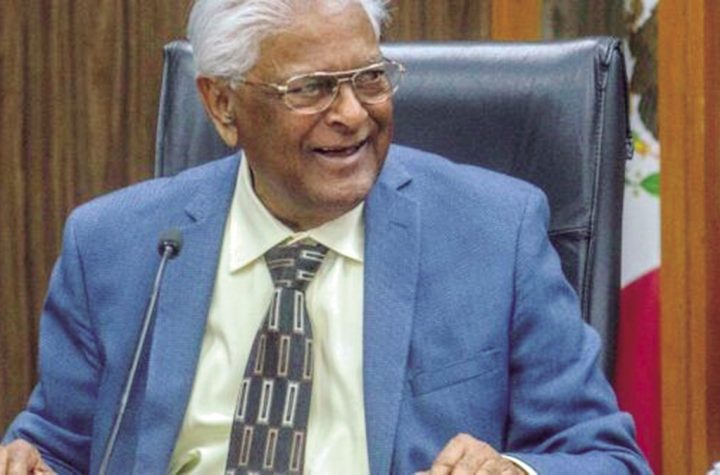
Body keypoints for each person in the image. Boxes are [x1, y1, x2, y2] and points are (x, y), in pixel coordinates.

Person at [1, 0, 651, 473]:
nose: (352, 113)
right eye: (310, 89)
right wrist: (30, 461)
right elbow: (58, 444)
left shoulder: (494, 231)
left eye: (370, 77)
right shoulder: (116, 244)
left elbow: (605, 456)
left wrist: (513, 470)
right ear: (223, 105)